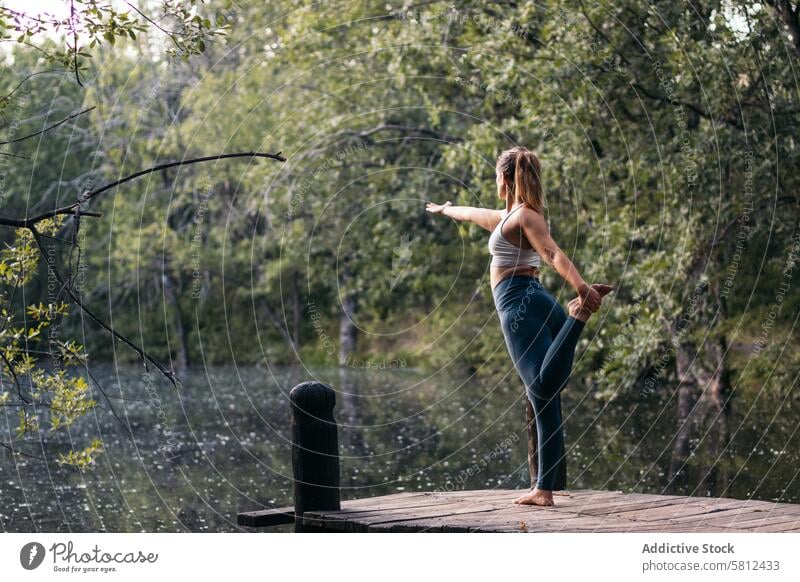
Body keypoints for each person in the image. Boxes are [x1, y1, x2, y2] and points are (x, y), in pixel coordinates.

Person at [425, 146, 612, 506]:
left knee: (541, 387)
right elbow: (474, 214)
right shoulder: (510, 216)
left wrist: (582, 289)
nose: (494, 181)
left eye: (496, 176)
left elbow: (552, 253)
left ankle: (579, 315)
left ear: (505, 178)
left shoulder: (526, 216)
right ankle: (547, 486)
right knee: (545, 397)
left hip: (519, 304)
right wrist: (447, 210)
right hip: (536, 299)